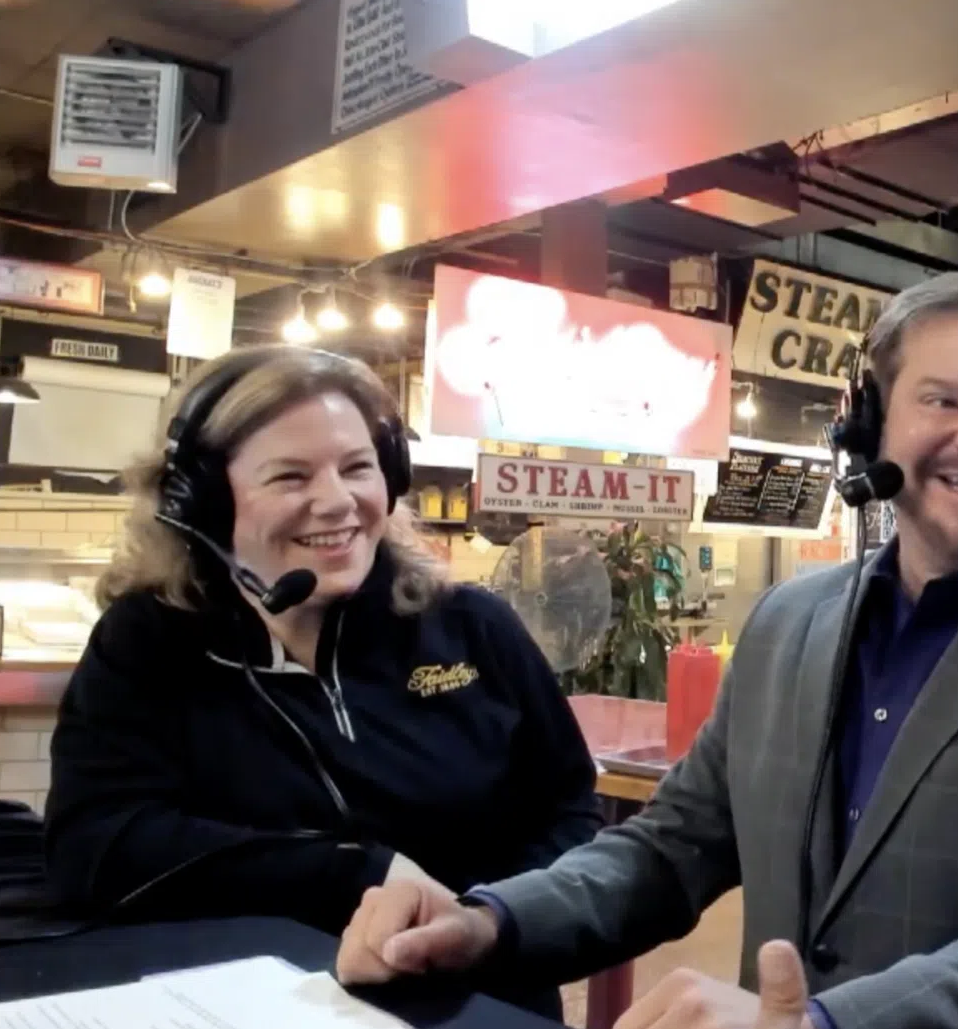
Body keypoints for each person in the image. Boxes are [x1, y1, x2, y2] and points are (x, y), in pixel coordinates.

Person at [337, 270, 958, 1029]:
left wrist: (824, 1022)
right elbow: (670, 847)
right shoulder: (787, 621)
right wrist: (490, 919)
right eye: (943, 400)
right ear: (869, 422)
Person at [45, 345, 602, 943]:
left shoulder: (473, 627)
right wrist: (353, 876)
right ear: (199, 502)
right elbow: (96, 847)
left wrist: (483, 923)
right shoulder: (147, 643)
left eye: (357, 467)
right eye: (291, 476)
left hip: (477, 984)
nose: (337, 501)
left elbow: (570, 812)